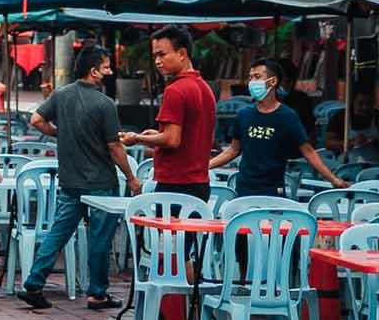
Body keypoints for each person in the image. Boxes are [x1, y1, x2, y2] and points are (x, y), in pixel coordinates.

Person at [17, 46, 142, 310]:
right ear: (94, 70)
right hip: (101, 183)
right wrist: (131, 177)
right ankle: (97, 292)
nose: (109, 71)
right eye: (106, 66)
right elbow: (114, 146)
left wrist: (59, 134)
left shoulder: (62, 95)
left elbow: (36, 120)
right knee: (100, 238)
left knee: (58, 232)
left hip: (70, 180)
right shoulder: (105, 104)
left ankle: (34, 281)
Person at [209, 57, 348, 196]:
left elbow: (309, 152)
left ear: (273, 81)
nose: (252, 82)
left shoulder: (287, 116)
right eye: (250, 78)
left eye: (257, 77)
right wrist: (205, 167)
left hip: (273, 190)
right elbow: (233, 150)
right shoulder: (244, 114)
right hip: (244, 188)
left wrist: (333, 179)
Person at [120, 25, 215, 202]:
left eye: (162, 54)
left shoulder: (175, 90)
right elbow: (188, 134)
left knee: (167, 231)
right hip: (200, 184)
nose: (157, 61)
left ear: (182, 53)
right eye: (155, 55)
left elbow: (171, 140)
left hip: (175, 184)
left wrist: (138, 138)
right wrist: (157, 135)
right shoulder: (204, 87)